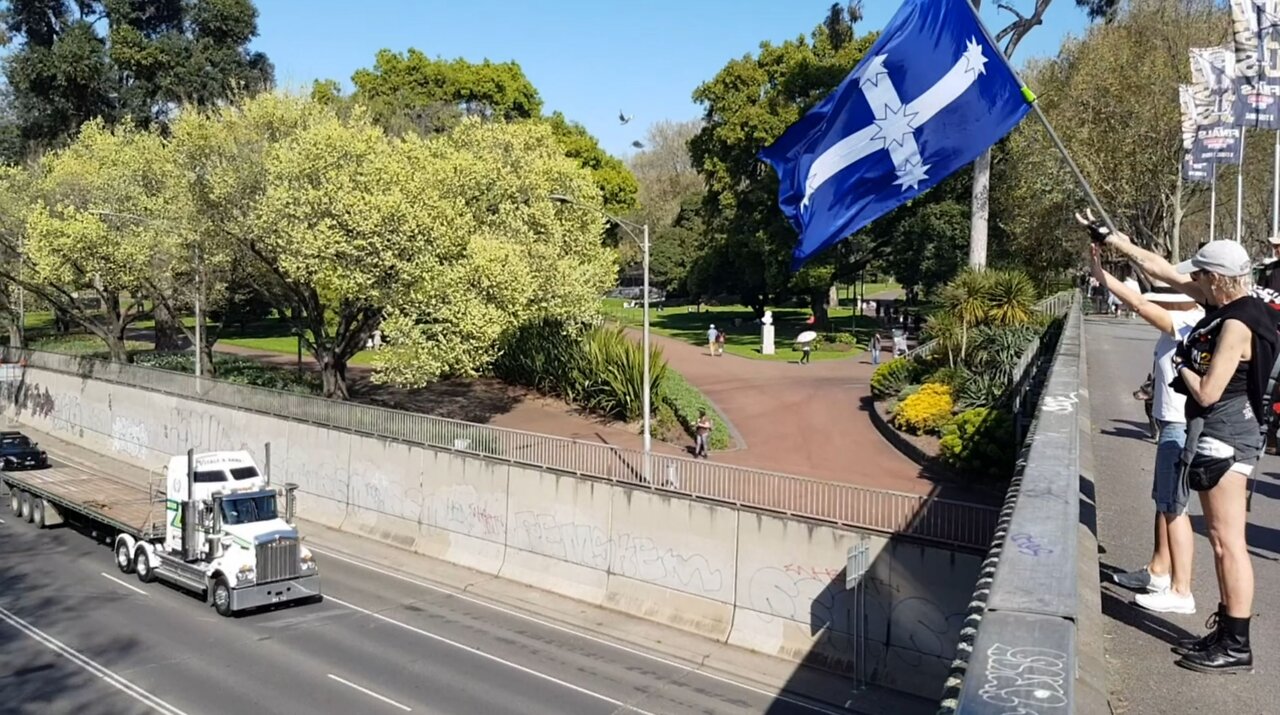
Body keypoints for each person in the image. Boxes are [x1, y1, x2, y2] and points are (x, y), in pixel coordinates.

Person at [1081, 210, 1278, 674]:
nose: (1196, 283)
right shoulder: (1232, 305)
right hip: (1224, 435)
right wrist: (1115, 242)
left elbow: (1209, 391)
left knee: (1229, 544)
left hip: (1227, 437)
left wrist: (1179, 366)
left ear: (1217, 278)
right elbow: (1163, 271)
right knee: (1224, 543)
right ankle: (1228, 630)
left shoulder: (1236, 324)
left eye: (1201, 277)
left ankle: (1237, 644)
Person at [1088, 247, 1204, 616]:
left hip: (1179, 424)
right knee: (1165, 501)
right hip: (1172, 421)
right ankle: (1158, 570)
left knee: (1174, 505)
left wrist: (1101, 274)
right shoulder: (1188, 321)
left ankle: (1180, 589)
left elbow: (1138, 304)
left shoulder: (1191, 324)